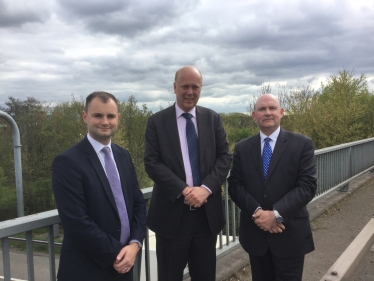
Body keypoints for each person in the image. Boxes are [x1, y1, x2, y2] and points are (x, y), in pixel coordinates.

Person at [144, 66, 231, 281]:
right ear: (175, 87)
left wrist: (205, 189)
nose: (190, 92)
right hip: (171, 216)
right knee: (169, 276)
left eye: (195, 87)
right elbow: (152, 163)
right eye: (185, 86)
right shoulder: (157, 122)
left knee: (204, 276)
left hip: (206, 215)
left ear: (201, 89)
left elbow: (225, 158)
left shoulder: (213, 119)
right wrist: (184, 190)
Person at [52, 91, 146, 281]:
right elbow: (76, 222)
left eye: (110, 116)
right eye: (98, 115)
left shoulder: (124, 156)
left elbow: (138, 203)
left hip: (124, 266)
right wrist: (119, 254)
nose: (105, 121)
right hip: (87, 269)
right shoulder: (67, 162)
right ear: (85, 116)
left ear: (118, 118)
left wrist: (135, 244)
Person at [228, 94, 317, 281]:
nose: (267, 113)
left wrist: (275, 215)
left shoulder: (302, 144)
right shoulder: (243, 148)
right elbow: (235, 185)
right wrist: (258, 213)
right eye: (262, 109)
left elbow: (307, 186)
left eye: (272, 108)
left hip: (289, 234)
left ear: (281, 112)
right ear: (254, 115)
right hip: (256, 236)